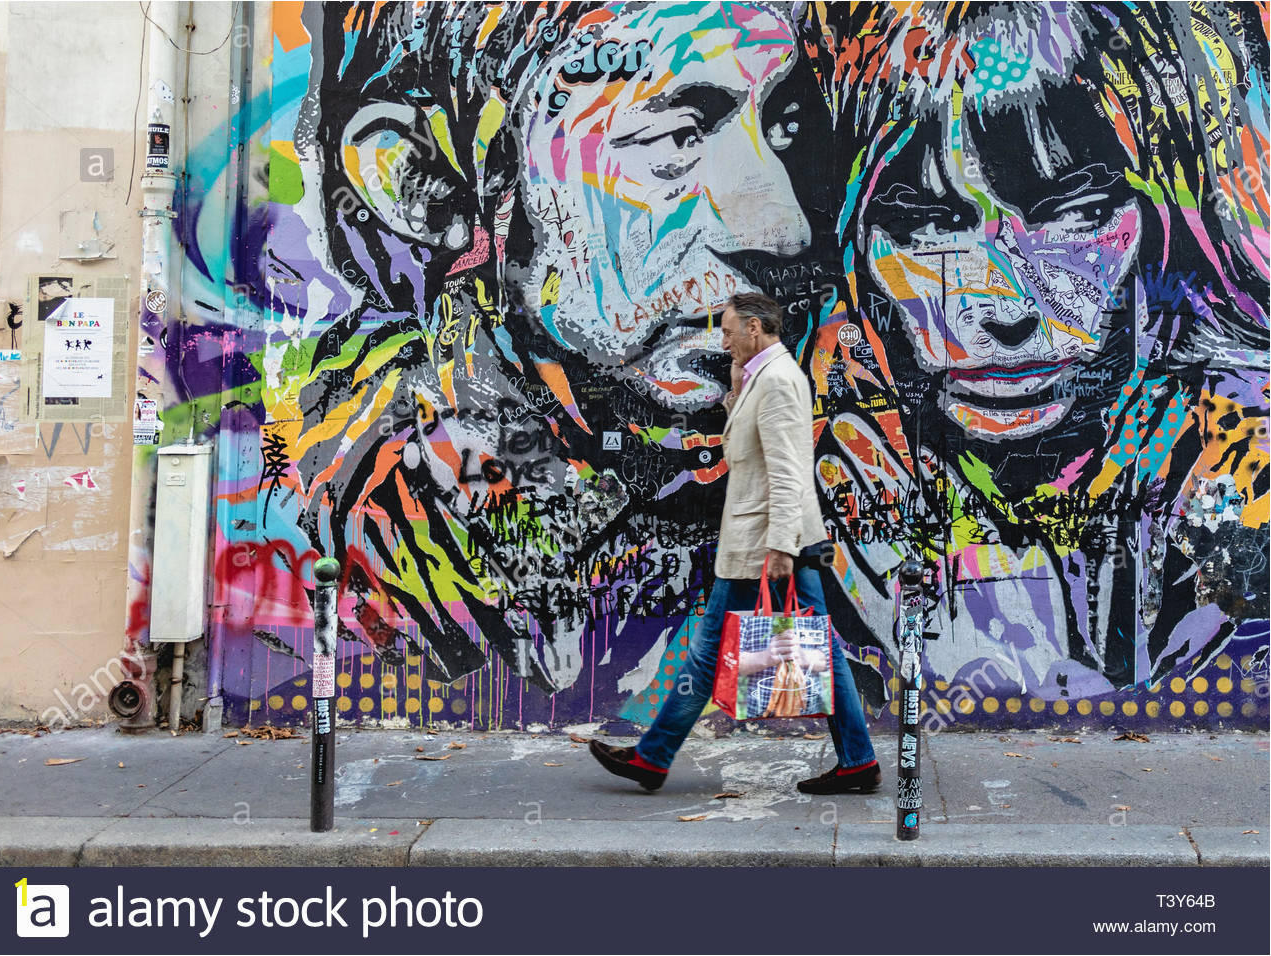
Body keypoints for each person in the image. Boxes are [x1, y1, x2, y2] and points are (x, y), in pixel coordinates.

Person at [278, 2, 841, 715]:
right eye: (675, 137)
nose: (783, 228)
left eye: (784, 130)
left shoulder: (836, 414)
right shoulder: (386, 531)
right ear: (415, 180)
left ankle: (705, 744)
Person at [805, 1, 1269, 700]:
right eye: (930, 226)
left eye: (1073, 213)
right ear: (857, 247)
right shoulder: (831, 473)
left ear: (1160, 229)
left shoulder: (1235, 454)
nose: (1006, 309)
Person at [589, 292, 880, 794]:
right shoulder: (759, 378)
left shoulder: (781, 382)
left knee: (713, 654)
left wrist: (782, 549)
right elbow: (748, 448)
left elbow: (789, 472)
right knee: (817, 651)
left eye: (727, 331)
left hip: (765, 545)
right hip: (763, 541)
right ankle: (857, 761)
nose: (722, 341)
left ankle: (653, 758)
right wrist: (734, 388)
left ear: (754, 328)